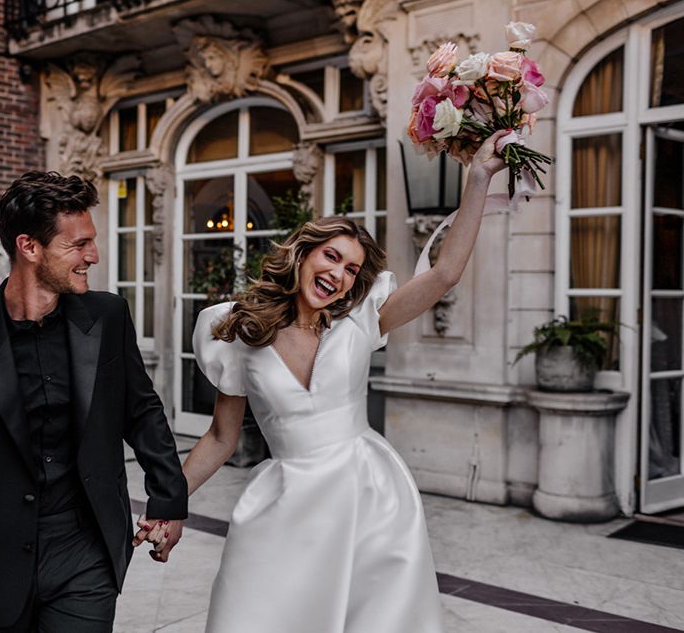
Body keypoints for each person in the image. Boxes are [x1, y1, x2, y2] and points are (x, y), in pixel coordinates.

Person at [148, 131, 506, 632]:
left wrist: (479, 178)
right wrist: (168, 504)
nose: (339, 274)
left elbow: (445, 273)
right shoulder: (241, 332)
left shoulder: (362, 320)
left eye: (351, 269)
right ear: (303, 254)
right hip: (285, 500)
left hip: (369, 494)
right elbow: (221, 438)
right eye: (331, 257)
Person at [0, 171, 188, 631]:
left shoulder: (108, 316)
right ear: (29, 247)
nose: (93, 256)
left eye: (92, 242)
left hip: (85, 546)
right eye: (78, 245)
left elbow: (140, 410)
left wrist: (168, 501)